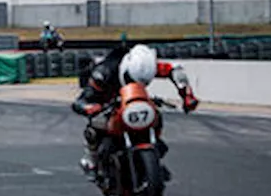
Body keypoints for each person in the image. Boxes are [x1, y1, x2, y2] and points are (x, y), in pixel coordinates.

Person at [72, 42, 198, 180]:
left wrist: (187, 95)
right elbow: (80, 101)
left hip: (134, 102)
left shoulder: (144, 68)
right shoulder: (103, 73)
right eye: (132, 80)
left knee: (155, 114)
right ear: (126, 70)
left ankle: (153, 154)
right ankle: (91, 161)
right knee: (95, 127)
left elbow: (174, 70)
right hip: (107, 103)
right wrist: (90, 107)